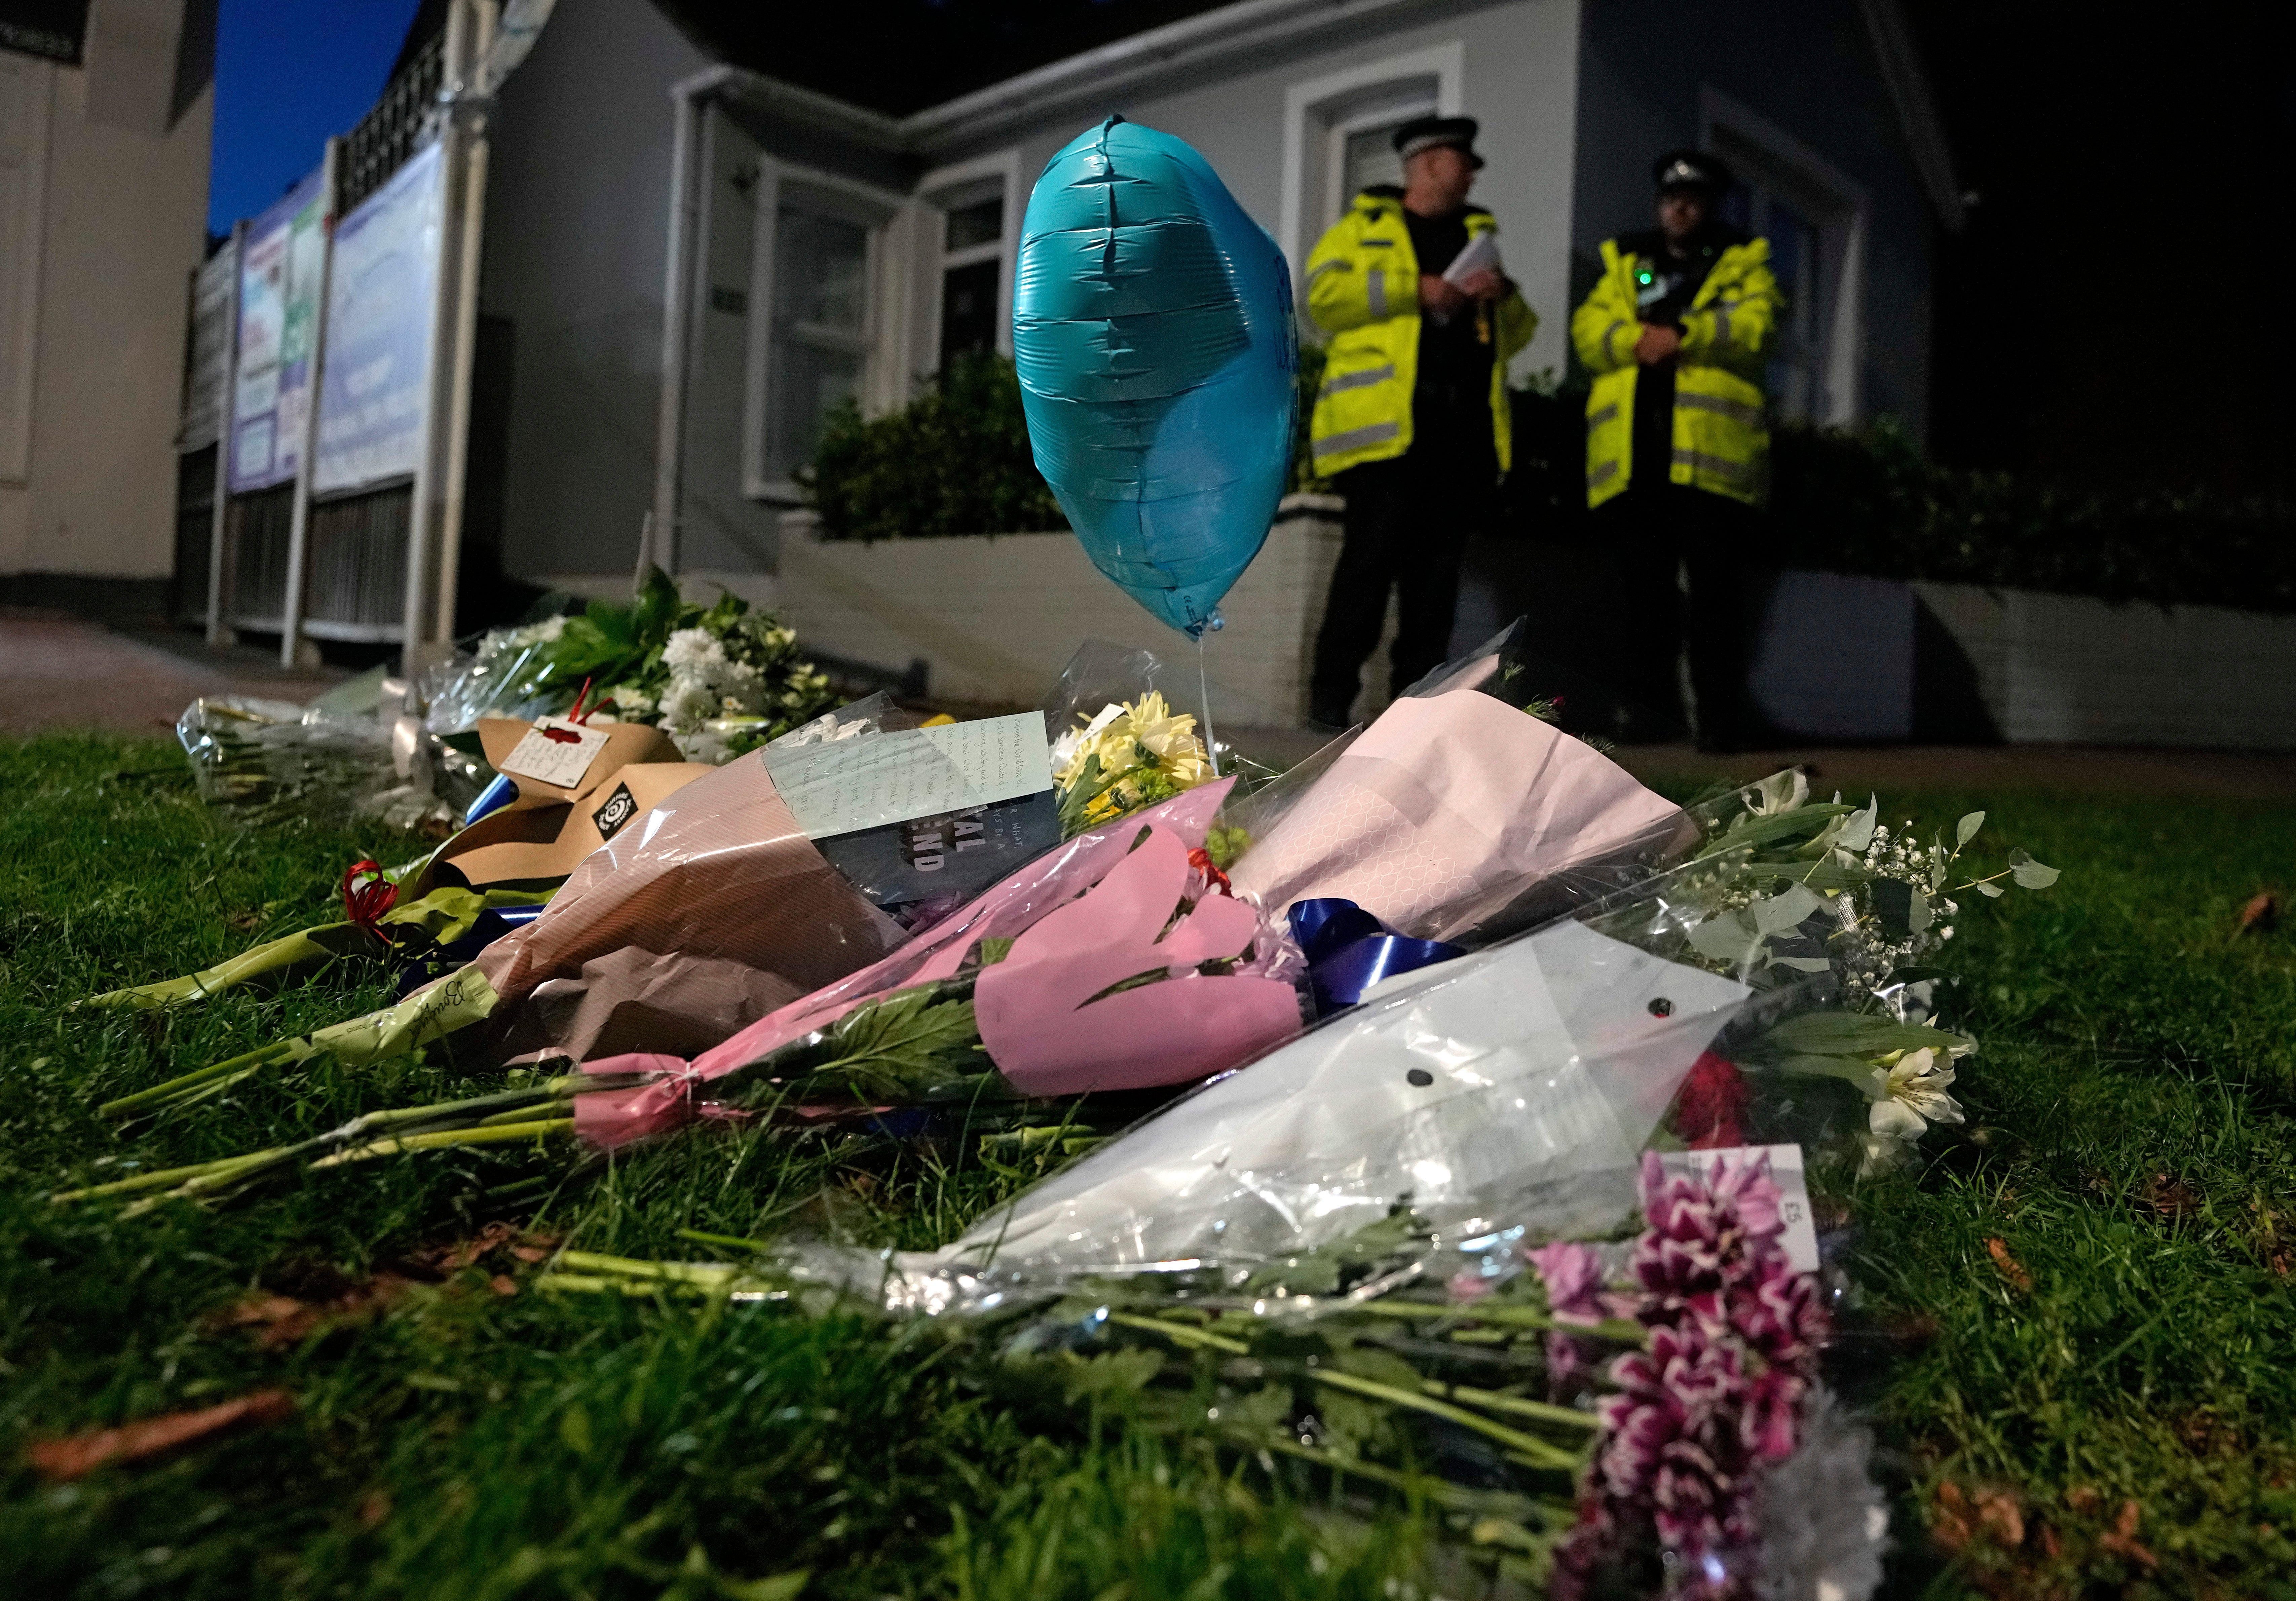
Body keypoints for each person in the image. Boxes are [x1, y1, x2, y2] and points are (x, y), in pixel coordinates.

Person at [1303, 115, 1537, 728]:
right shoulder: (1362, 229)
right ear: (1429, 162)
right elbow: (1321, 298)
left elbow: (1520, 335)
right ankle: (1329, 705)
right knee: (1366, 571)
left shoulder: (1479, 237)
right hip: (1386, 438)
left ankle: (1413, 714)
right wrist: (1417, 289)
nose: (1473, 174)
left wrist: (1503, 297)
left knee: (1435, 587)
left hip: (1460, 437)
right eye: (1464, 161)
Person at [1570, 149, 1779, 747]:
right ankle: (1649, 716)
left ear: (1709, 207)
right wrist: (1636, 341)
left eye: (1691, 200)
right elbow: (1588, 332)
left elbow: (1758, 326)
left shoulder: (1743, 264)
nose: (1679, 209)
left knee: (1717, 597)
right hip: (1635, 462)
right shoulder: (1626, 264)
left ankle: (1720, 721)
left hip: (1710, 466)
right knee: (1644, 598)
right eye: (1671, 199)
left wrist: (1684, 336)